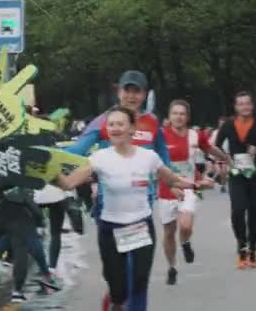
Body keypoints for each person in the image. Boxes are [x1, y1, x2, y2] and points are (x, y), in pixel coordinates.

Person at [56, 106, 201, 311]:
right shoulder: (99, 158)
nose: (115, 128)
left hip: (141, 226)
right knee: (118, 287)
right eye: (111, 124)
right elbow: (68, 184)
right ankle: (115, 301)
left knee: (140, 280)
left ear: (132, 128)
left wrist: (193, 184)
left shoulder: (148, 157)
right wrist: (50, 172)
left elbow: (171, 178)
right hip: (110, 228)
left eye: (120, 124)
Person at [65, 70, 170, 218]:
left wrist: (170, 181)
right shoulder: (103, 120)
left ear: (145, 95)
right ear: (119, 92)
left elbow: (163, 153)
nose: (131, 97)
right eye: (127, 91)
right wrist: (49, 157)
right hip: (110, 198)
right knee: (110, 240)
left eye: (137, 92)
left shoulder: (152, 121)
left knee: (144, 241)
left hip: (143, 198)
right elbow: (77, 149)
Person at [158, 100, 229, 285]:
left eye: (182, 113)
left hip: (189, 186)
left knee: (186, 225)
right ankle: (172, 266)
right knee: (168, 233)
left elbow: (210, 148)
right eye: (175, 113)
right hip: (166, 189)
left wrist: (226, 158)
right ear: (169, 116)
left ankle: (185, 243)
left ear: (187, 117)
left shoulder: (195, 135)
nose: (178, 117)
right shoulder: (161, 136)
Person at [214, 91, 256, 269]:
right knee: (238, 211)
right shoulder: (229, 125)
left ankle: (253, 248)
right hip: (237, 175)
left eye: (247, 103)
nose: (244, 107)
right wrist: (225, 159)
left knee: (254, 214)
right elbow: (216, 146)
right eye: (240, 104)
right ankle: (242, 246)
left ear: (252, 105)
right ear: (236, 106)